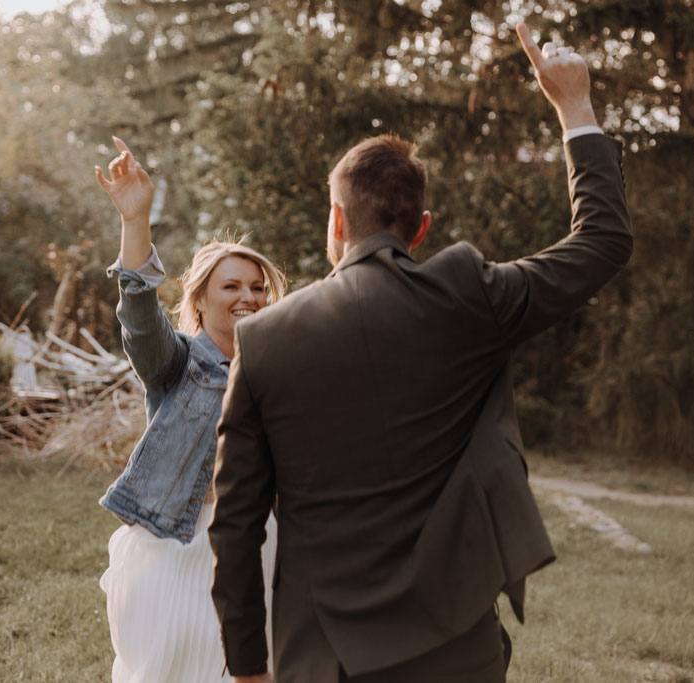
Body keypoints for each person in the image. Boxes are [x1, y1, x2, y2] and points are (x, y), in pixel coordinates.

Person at [209, 22, 632, 683]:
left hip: (322, 656)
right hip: (454, 649)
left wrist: (246, 665)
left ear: (337, 222)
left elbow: (236, 524)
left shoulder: (263, 338)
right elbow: (602, 241)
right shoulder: (470, 296)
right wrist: (573, 105)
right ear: (421, 230)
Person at [94, 138, 287, 682]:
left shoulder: (279, 373)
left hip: (254, 550)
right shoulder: (176, 364)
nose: (248, 296)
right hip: (172, 547)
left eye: (257, 287)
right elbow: (139, 317)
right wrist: (136, 221)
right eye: (231, 286)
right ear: (200, 299)